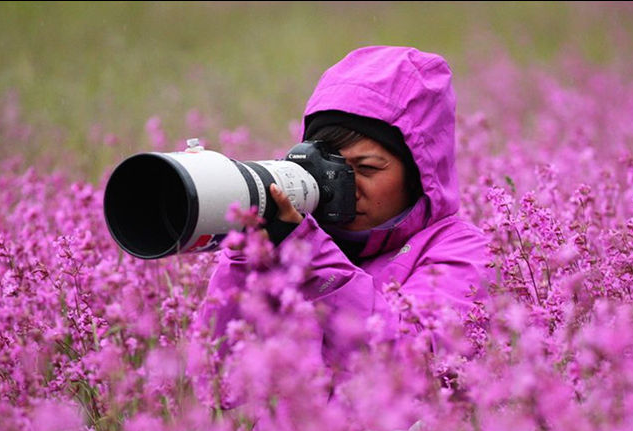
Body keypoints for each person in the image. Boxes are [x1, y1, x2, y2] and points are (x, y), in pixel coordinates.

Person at [200, 46, 491, 371]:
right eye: (330, 169)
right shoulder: (288, 242)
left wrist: (310, 256)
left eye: (366, 169)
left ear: (417, 175)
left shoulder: (461, 251)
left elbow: (412, 364)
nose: (345, 188)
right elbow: (220, 380)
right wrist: (248, 257)